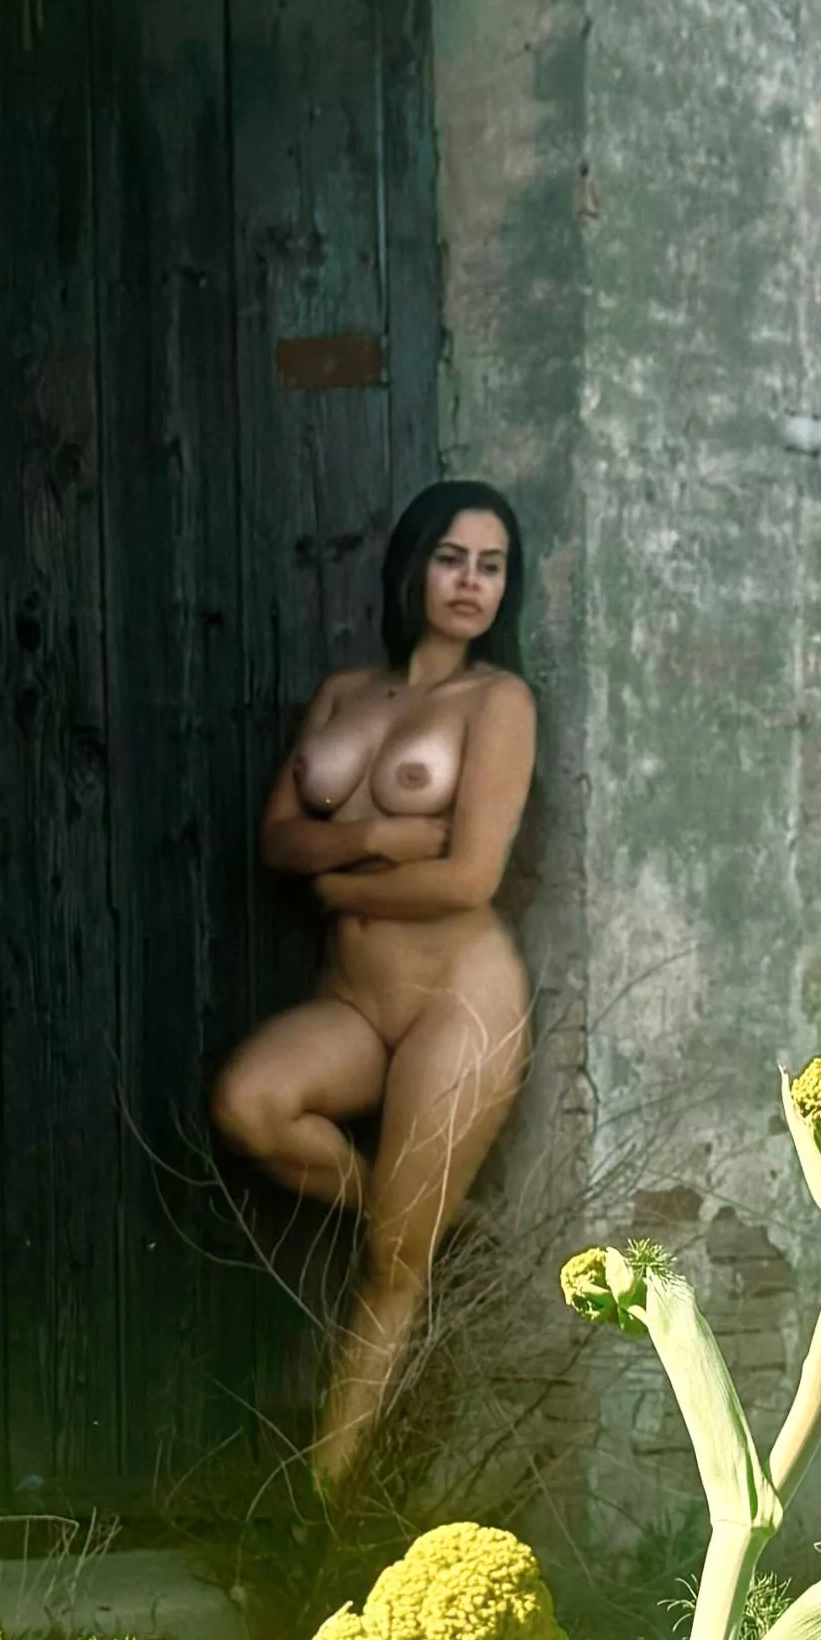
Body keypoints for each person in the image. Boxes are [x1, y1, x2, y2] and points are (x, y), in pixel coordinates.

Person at [210, 479, 536, 1492]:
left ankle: (321, 1508)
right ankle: (428, 1213)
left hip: (459, 999)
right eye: (451, 558)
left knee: (390, 1274)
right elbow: (276, 838)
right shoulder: (346, 695)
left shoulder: (498, 702)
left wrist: (338, 874)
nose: (470, 583)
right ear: (412, 567)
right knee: (249, 1102)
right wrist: (381, 837)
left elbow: (468, 879)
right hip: (355, 1000)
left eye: (491, 566)